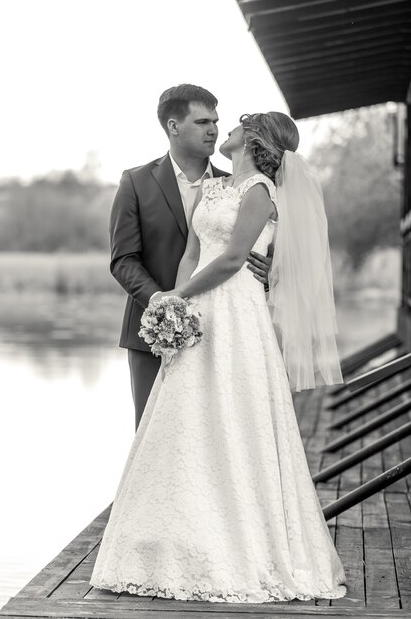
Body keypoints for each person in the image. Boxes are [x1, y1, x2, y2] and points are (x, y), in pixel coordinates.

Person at [90, 111, 347, 603]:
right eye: (209, 121)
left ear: (251, 140)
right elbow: (193, 250)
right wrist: (174, 300)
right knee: (183, 419)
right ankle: (170, 539)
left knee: (233, 417)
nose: (220, 130)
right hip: (197, 306)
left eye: (229, 125)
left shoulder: (261, 191)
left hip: (235, 311)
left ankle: (242, 544)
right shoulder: (214, 190)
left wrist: (179, 295)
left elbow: (233, 259)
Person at [109, 84, 272, 429]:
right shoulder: (136, 182)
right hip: (152, 332)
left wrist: (269, 271)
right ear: (173, 126)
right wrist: (161, 304)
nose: (213, 129)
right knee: (153, 435)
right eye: (201, 122)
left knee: (217, 434)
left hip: (223, 333)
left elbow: (257, 253)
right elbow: (123, 259)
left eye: (215, 121)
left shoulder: (242, 184)